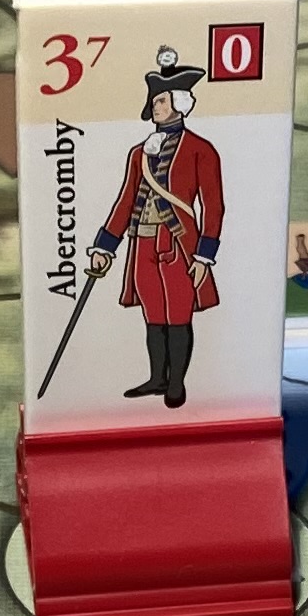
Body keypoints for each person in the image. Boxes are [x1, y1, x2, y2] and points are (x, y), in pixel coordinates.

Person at [79, 46, 222, 409]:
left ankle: (176, 384)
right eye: (154, 101)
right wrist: (104, 247)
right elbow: (125, 202)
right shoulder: (138, 153)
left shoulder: (201, 150)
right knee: (153, 315)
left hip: (178, 246)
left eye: (160, 100)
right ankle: (157, 378)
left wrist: (203, 256)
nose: (155, 107)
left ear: (179, 102)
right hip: (141, 245)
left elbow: (213, 206)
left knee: (178, 316)